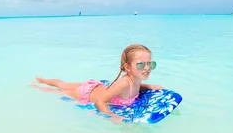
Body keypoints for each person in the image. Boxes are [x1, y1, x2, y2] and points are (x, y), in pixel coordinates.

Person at [34, 44, 163, 122]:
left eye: (150, 64)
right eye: (141, 64)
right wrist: (112, 116)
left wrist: (149, 86)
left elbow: (135, 86)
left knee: (65, 85)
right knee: (62, 89)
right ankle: (40, 83)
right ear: (128, 67)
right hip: (87, 94)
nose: (146, 68)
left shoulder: (136, 78)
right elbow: (99, 102)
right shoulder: (124, 83)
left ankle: (42, 80)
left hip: (96, 86)